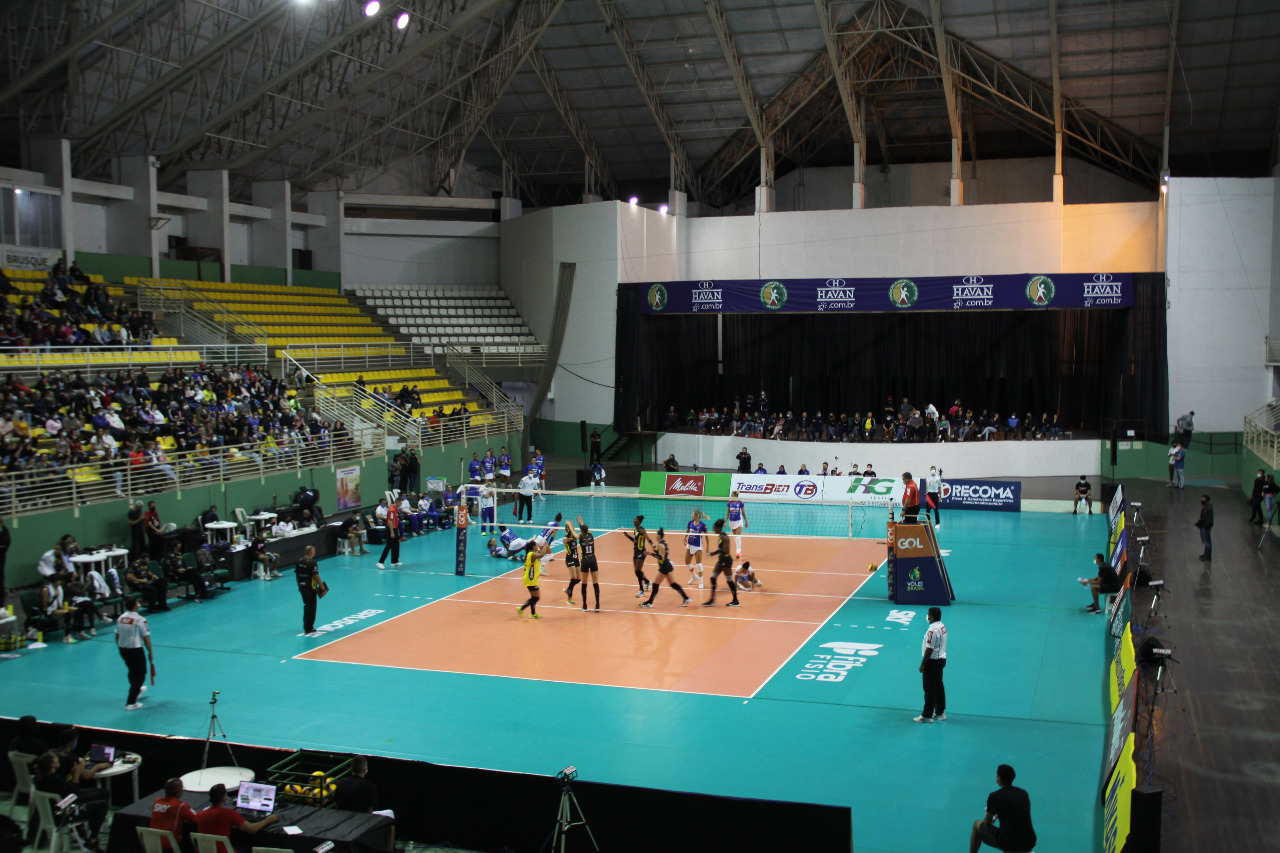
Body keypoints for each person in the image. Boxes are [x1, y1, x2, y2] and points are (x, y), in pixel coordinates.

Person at [33, 752, 110, 848]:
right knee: (102, 804)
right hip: (64, 813)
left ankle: (88, 831)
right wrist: (76, 774)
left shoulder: (40, 778)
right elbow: (73, 795)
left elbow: (66, 792)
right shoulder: (54, 779)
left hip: (55, 809)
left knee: (102, 793)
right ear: (52, 764)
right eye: (55, 758)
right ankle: (92, 839)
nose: (58, 759)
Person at [969, 764, 1037, 853]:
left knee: (976, 825)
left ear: (999, 779)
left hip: (1009, 842)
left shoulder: (994, 796)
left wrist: (992, 814)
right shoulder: (1023, 793)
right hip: (1029, 842)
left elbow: (987, 823)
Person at [194, 781, 279, 849]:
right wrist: (268, 819)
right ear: (224, 798)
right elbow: (252, 829)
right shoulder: (229, 814)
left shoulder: (200, 814)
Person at [116, 596, 153, 710]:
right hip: (135, 649)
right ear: (135, 605)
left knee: (132, 670)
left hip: (123, 649)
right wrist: (150, 652)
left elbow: (117, 635)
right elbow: (146, 638)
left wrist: (120, 646)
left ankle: (136, 689)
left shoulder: (121, 618)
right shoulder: (140, 620)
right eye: (137, 602)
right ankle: (131, 703)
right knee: (140, 674)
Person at [640, 528, 690, 608]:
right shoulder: (663, 543)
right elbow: (659, 552)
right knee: (672, 584)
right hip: (667, 565)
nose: (655, 536)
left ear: (659, 536)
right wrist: (653, 549)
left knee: (655, 584)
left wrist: (650, 554)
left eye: (656, 534)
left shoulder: (661, 545)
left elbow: (661, 558)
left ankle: (649, 602)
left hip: (664, 567)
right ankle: (686, 598)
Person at [150, 776, 200, 851]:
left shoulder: (156, 802)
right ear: (179, 792)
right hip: (170, 847)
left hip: (152, 845)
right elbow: (197, 819)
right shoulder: (181, 806)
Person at [914, 606, 947, 722]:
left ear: (932, 617)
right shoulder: (942, 626)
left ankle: (927, 715)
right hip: (941, 659)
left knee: (929, 688)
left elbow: (929, 649)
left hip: (932, 662)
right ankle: (939, 712)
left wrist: (923, 664)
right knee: (938, 686)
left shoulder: (932, 631)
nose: (927, 616)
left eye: (928, 614)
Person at [703, 519, 740, 607]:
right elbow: (721, 549)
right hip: (721, 560)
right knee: (713, 578)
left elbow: (725, 551)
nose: (713, 530)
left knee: (729, 581)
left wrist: (716, 554)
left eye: (714, 528)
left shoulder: (724, 537)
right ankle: (712, 600)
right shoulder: (720, 536)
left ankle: (735, 601)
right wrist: (714, 553)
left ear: (718, 528)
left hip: (726, 561)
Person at [575, 516, 601, 611]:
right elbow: (585, 531)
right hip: (593, 561)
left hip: (585, 561)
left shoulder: (580, 537)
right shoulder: (591, 535)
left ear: (581, 530)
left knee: (584, 584)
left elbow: (575, 534)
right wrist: (582, 523)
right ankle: (597, 605)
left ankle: (585, 606)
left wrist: (570, 526)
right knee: (595, 583)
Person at [622, 515, 652, 597]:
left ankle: (641, 590)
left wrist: (652, 545)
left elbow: (648, 538)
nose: (633, 520)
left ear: (639, 521)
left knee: (638, 571)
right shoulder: (635, 530)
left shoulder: (642, 530)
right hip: (635, 552)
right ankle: (646, 581)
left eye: (635, 519)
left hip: (641, 552)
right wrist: (627, 535)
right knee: (637, 572)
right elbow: (634, 541)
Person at [296, 545, 322, 635]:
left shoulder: (299, 561)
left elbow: (297, 574)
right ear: (311, 552)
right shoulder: (312, 563)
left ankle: (306, 625)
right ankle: (309, 628)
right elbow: (316, 575)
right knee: (312, 608)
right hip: (311, 588)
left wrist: (299, 585)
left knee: (306, 606)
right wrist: (322, 586)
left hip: (302, 587)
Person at [515, 544, 542, 619]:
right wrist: (546, 543)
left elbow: (541, 552)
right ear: (533, 547)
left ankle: (533, 614)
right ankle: (521, 609)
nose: (537, 546)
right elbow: (542, 554)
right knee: (536, 597)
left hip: (531, 579)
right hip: (530, 579)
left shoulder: (532, 554)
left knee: (534, 597)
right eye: (536, 545)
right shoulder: (532, 555)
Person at [375, 503, 402, 569]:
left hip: (395, 528)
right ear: (398, 502)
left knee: (396, 544)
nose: (401, 504)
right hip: (391, 529)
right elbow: (390, 521)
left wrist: (397, 530)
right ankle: (380, 562)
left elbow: (396, 521)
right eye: (400, 503)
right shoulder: (391, 510)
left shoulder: (396, 509)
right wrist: (392, 532)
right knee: (389, 546)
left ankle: (394, 561)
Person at [685, 510, 707, 588]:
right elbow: (688, 531)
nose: (691, 516)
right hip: (690, 544)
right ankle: (694, 576)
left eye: (693, 514)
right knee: (687, 563)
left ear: (697, 516)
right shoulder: (690, 523)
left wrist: (708, 547)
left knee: (699, 564)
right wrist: (684, 538)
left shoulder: (702, 525)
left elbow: (706, 536)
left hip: (698, 546)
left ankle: (701, 582)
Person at [562, 520, 582, 605]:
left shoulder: (574, 537)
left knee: (578, 579)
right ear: (568, 528)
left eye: (573, 525)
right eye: (572, 526)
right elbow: (567, 538)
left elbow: (581, 533)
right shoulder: (565, 538)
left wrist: (580, 524)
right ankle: (569, 599)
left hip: (576, 558)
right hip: (570, 559)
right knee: (573, 579)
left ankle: (568, 589)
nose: (573, 527)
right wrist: (570, 525)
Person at [726, 491, 748, 558]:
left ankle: (738, 552)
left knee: (738, 536)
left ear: (735, 495)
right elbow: (727, 513)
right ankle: (739, 551)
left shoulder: (740, 502)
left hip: (739, 521)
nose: (731, 496)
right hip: (732, 521)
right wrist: (725, 522)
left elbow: (743, 513)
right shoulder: (729, 503)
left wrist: (746, 521)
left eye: (732, 495)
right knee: (735, 536)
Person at [1196, 493, 1214, 561]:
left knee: (1207, 542)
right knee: (1206, 542)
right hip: (1204, 527)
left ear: (1207, 500)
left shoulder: (1208, 508)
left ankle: (1208, 556)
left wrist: (1204, 526)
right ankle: (1206, 554)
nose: (1202, 500)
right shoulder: (1205, 507)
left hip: (1205, 528)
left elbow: (1208, 519)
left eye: (1203, 499)